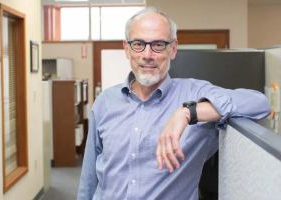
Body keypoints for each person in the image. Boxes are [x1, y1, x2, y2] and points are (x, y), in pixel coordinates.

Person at [77, 7, 271, 200]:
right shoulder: (105, 102)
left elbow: (259, 103)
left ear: (173, 49)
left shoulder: (193, 92)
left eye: (158, 45)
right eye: (138, 44)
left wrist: (187, 112)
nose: (147, 55)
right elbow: (89, 179)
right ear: (126, 49)